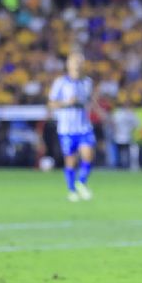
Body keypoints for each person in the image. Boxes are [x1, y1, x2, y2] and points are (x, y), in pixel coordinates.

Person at [47, 52, 99, 201]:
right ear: (68, 64)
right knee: (71, 159)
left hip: (84, 126)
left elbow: (91, 100)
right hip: (67, 128)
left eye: (80, 61)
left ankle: (81, 182)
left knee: (89, 154)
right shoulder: (60, 82)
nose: (77, 64)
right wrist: (66, 103)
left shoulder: (87, 82)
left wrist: (100, 113)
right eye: (74, 61)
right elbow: (51, 103)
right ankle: (71, 190)